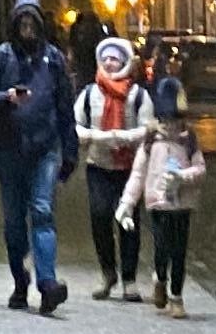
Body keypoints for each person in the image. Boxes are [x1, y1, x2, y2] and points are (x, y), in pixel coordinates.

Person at [0, 0, 76, 313]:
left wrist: (70, 150)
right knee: (14, 222)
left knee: (43, 211)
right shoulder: (1, 57)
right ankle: (20, 280)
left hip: (44, 148)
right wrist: (6, 98)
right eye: (23, 23)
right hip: (9, 151)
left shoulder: (53, 59)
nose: (28, 29)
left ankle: (47, 283)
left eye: (33, 23)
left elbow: (65, 106)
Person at [123, 75, 208, 313]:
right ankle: (160, 278)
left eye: (175, 120)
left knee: (179, 252)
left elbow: (200, 168)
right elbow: (138, 173)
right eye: (167, 120)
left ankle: (176, 296)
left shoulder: (189, 140)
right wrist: (127, 202)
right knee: (161, 247)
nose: (171, 125)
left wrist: (184, 176)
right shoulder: (151, 141)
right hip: (158, 203)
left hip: (182, 203)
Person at [75, 33, 151, 295]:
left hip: (129, 168)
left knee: (128, 219)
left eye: (115, 59)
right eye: (105, 58)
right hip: (98, 165)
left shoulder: (138, 95)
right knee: (99, 216)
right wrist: (96, 137)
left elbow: (148, 129)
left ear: (125, 62)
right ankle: (107, 272)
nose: (109, 63)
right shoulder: (89, 94)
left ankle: (129, 278)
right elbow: (76, 126)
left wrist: (123, 137)